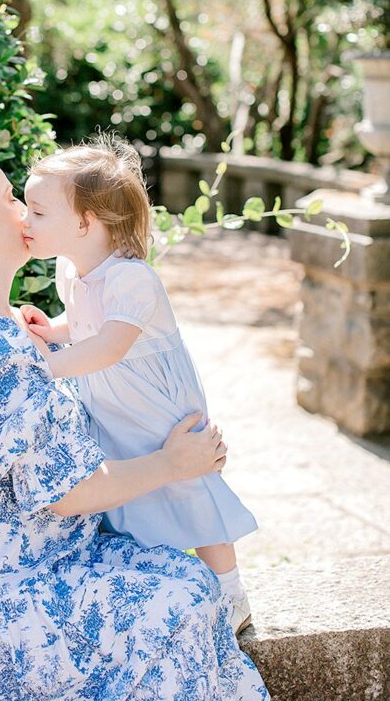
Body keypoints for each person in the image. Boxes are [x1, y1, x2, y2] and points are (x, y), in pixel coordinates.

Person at [0, 146, 270, 701]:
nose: (25, 214)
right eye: (11, 200)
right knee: (184, 598)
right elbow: (68, 492)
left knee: (177, 574)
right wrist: (174, 464)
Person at [21, 135, 257, 635]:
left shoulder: (132, 279)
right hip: (113, 400)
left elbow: (109, 345)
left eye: (37, 212)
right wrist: (54, 332)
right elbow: (82, 323)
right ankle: (168, 572)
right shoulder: (72, 268)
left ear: (86, 222)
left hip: (156, 404)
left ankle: (232, 591)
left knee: (190, 484)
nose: (26, 220)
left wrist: (44, 366)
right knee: (141, 485)